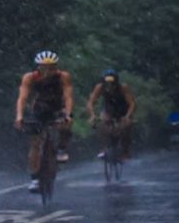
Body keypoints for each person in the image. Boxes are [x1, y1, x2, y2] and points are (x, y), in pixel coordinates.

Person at [13, 50, 74, 183]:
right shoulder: (30, 77)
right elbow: (22, 98)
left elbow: (68, 96)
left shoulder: (63, 76)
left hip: (57, 107)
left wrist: (68, 114)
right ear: (38, 67)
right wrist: (19, 116)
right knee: (35, 144)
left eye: (51, 67)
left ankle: (62, 148)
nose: (47, 71)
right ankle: (34, 176)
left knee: (66, 123)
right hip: (39, 109)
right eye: (44, 67)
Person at [86, 68, 136, 165]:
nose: (110, 86)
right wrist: (92, 115)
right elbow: (91, 102)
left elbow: (132, 103)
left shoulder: (123, 88)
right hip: (109, 110)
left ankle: (125, 150)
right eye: (107, 83)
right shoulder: (100, 87)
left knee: (126, 126)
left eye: (112, 83)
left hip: (122, 110)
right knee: (101, 125)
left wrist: (128, 116)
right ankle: (103, 148)